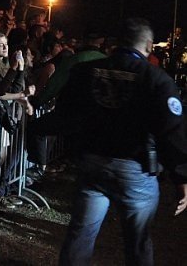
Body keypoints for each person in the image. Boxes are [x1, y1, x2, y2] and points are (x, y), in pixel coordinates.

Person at [34, 18, 187, 265]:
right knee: (137, 240)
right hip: (135, 170)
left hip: (92, 163)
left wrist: (36, 126)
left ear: (115, 42)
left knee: (81, 234)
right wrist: (181, 176)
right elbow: (171, 131)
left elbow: (67, 114)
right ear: (148, 45)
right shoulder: (156, 79)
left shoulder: (86, 72)